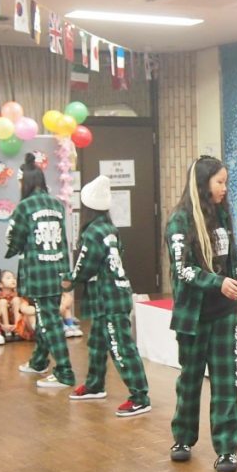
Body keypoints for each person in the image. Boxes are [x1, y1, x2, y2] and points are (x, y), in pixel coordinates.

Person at [166, 156, 237, 472]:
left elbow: (232, 264)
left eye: (226, 181)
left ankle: (227, 449)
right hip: (193, 317)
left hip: (225, 315)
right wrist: (217, 283)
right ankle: (182, 439)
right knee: (190, 380)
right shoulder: (180, 221)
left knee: (227, 383)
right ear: (203, 183)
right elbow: (182, 269)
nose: (225, 188)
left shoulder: (222, 214)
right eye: (219, 182)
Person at [64, 175, 151, 417]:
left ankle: (140, 396)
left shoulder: (92, 232)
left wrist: (69, 279)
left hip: (108, 297)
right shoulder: (110, 229)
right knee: (97, 342)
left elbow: (85, 266)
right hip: (116, 292)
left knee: (120, 346)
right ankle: (94, 385)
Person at [5, 154, 75, 388]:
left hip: (37, 272)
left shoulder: (24, 207)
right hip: (57, 269)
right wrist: (66, 273)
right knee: (48, 316)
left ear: (25, 182)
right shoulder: (57, 204)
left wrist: (12, 249)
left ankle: (64, 371)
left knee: (49, 320)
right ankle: (38, 361)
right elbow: (63, 240)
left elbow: (13, 241)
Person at [0, 268, 30, 341]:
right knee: (2, 302)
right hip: (2, 323)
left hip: (17, 319)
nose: (13, 280)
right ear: (0, 284)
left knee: (16, 300)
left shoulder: (18, 294)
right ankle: (7, 331)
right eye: (8, 278)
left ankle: (18, 329)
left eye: (14, 278)